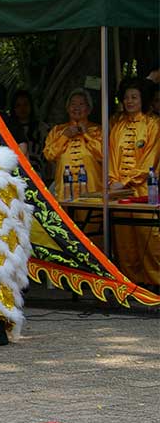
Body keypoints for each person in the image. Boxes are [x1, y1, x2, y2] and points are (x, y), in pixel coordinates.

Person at [108, 78, 160, 286]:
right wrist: (113, 181)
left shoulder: (153, 124)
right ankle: (132, 285)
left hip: (144, 191)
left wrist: (127, 181)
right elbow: (111, 157)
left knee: (150, 238)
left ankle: (156, 284)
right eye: (127, 97)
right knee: (124, 241)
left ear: (143, 99)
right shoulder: (117, 126)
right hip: (119, 193)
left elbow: (151, 159)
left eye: (134, 97)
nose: (129, 101)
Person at [43, 88, 103, 201]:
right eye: (73, 104)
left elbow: (103, 155)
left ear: (89, 109)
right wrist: (64, 137)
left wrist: (86, 134)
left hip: (93, 192)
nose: (77, 108)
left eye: (81, 104)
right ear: (67, 108)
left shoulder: (98, 130)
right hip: (64, 192)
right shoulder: (57, 130)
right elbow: (49, 155)